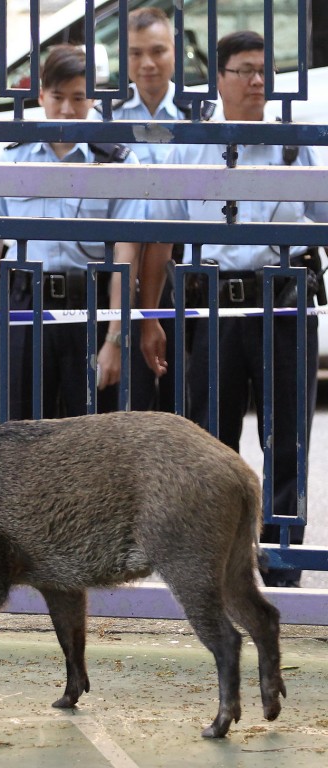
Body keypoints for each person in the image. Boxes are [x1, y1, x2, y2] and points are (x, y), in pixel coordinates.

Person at [140, 30, 328, 588]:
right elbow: (158, 238)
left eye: (264, 71)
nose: (256, 81)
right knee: (211, 440)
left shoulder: (297, 145)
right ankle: (219, 560)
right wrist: (149, 316)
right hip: (212, 310)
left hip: (284, 305)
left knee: (287, 436)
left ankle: (283, 557)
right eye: (244, 70)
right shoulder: (189, 146)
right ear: (218, 78)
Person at [0, 44, 145, 420]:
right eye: (57, 97)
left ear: (94, 98)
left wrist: (115, 339)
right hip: (25, 307)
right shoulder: (13, 159)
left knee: (93, 440)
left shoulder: (116, 163)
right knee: (23, 437)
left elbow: (127, 257)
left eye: (78, 98)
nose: (66, 109)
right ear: (41, 95)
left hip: (89, 308)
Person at [108, 7, 213, 412]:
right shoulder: (107, 117)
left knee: (182, 396)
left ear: (175, 52)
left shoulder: (201, 115)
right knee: (123, 401)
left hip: (184, 268)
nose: (147, 64)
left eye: (157, 51)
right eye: (135, 53)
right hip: (118, 266)